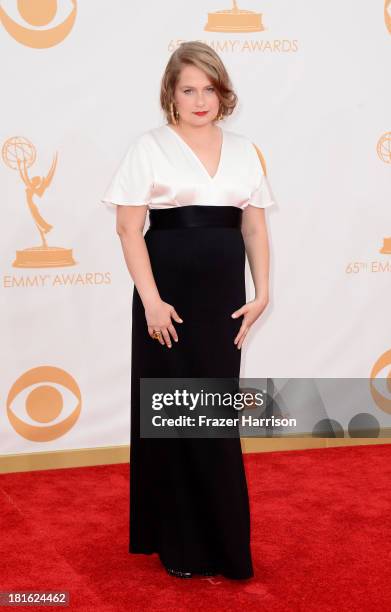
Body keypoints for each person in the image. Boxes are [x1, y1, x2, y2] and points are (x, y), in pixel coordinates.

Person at [100, 41, 276, 580]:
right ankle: (178, 544)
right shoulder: (148, 147)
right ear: (171, 97)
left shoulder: (245, 149)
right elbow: (130, 228)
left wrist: (262, 292)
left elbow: (253, 225)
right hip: (168, 299)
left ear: (223, 94)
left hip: (224, 301)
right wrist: (152, 301)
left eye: (210, 89)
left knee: (215, 420)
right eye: (189, 90)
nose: (201, 100)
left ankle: (224, 545)